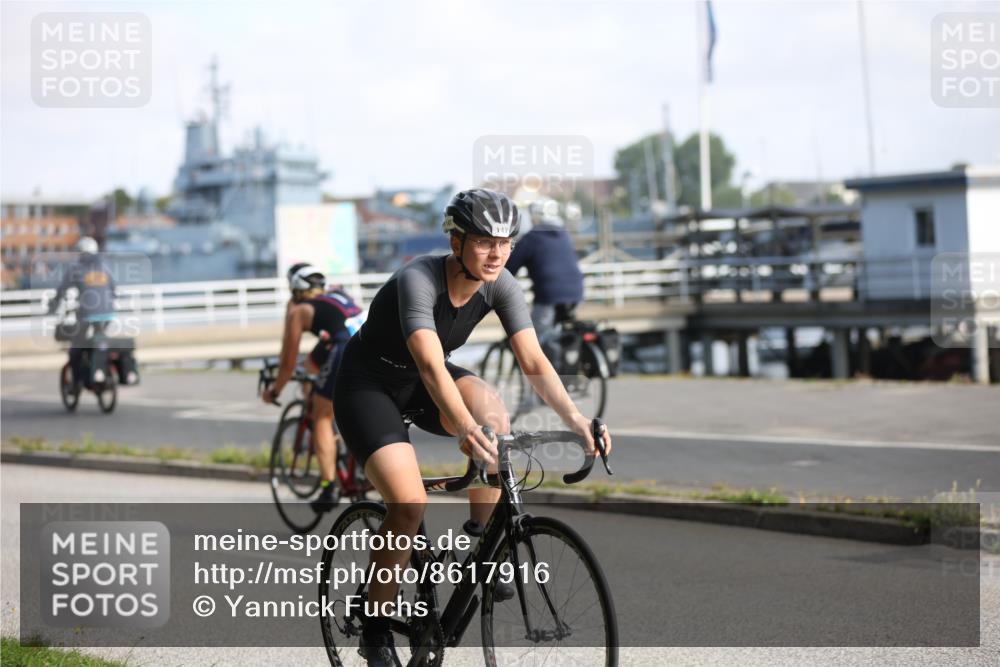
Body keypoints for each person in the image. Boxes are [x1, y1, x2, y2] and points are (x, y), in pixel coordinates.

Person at [332, 188, 613, 666]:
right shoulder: (418, 279)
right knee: (408, 506)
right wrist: (464, 429)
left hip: (424, 383)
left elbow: (532, 359)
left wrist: (578, 421)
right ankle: (375, 630)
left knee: (494, 415)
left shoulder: (500, 284)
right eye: (484, 242)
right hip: (368, 386)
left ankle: (480, 543)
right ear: (456, 242)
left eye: (505, 243)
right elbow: (428, 362)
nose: (497, 253)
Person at [261, 265, 364, 512]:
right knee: (345, 404)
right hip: (369, 342)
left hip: (344, 347)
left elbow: (288, 363)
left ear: (295, 290)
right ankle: (353, 458)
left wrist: (275, 391)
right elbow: (314, 359)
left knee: (322, 416)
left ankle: (328, 487)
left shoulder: (300, 310)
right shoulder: (337, 295)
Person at [504, 197, 585, 367]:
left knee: (532, 339)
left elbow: (508, 269)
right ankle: (566, 368)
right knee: (558, 334)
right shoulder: (564, 234)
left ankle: (545, 378)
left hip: (549, 296)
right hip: (576, 294)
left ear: (535, 217)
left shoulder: (531, 238)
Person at [47, 237, 136, 387]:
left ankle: (77, 382)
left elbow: (62, 290)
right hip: (108, 314)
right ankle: (100, 368)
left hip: (87, 315)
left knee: (77, 346)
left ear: (80, 252)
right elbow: (113, 290)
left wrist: (53, 307)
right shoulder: (105, 267)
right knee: (99, 340)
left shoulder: (76, 268)